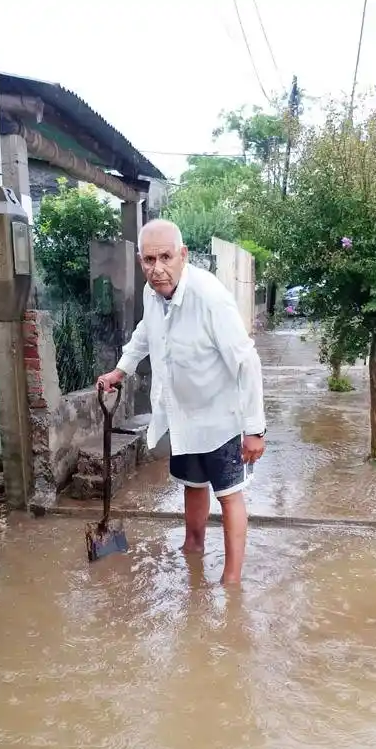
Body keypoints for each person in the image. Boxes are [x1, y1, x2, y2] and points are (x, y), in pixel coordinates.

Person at [97, 219, 266, 584]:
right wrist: (120, 371)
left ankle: (231, 580)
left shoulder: (210, 297)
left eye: (165, 257)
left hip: (221, 417)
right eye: (148, 260)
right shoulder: (152, 293)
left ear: (183, 255)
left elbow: (246, 361)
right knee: (192, 484)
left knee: (230, 494)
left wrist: (255, 430)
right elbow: (145, 331)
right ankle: (194, 548)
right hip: (183, 415)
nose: (156, 269)